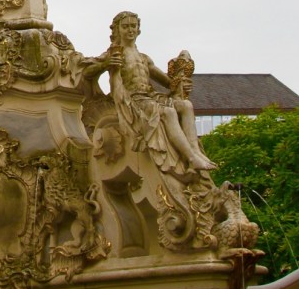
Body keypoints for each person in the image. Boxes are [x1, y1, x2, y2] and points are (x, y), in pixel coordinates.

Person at [88, 12, 215, 176]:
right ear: (117, 30)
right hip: (133, 100)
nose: (130, 30)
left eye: (133, 26)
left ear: (138, 29)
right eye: (125, 26)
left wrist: (182, 82)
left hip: (151, 96)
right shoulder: (114, 54)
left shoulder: (144, 58)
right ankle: (191, 158)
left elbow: (169, 83)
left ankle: (196, 151)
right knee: (168, 112)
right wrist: (104, 64)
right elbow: (88, 71)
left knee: (186, 105)